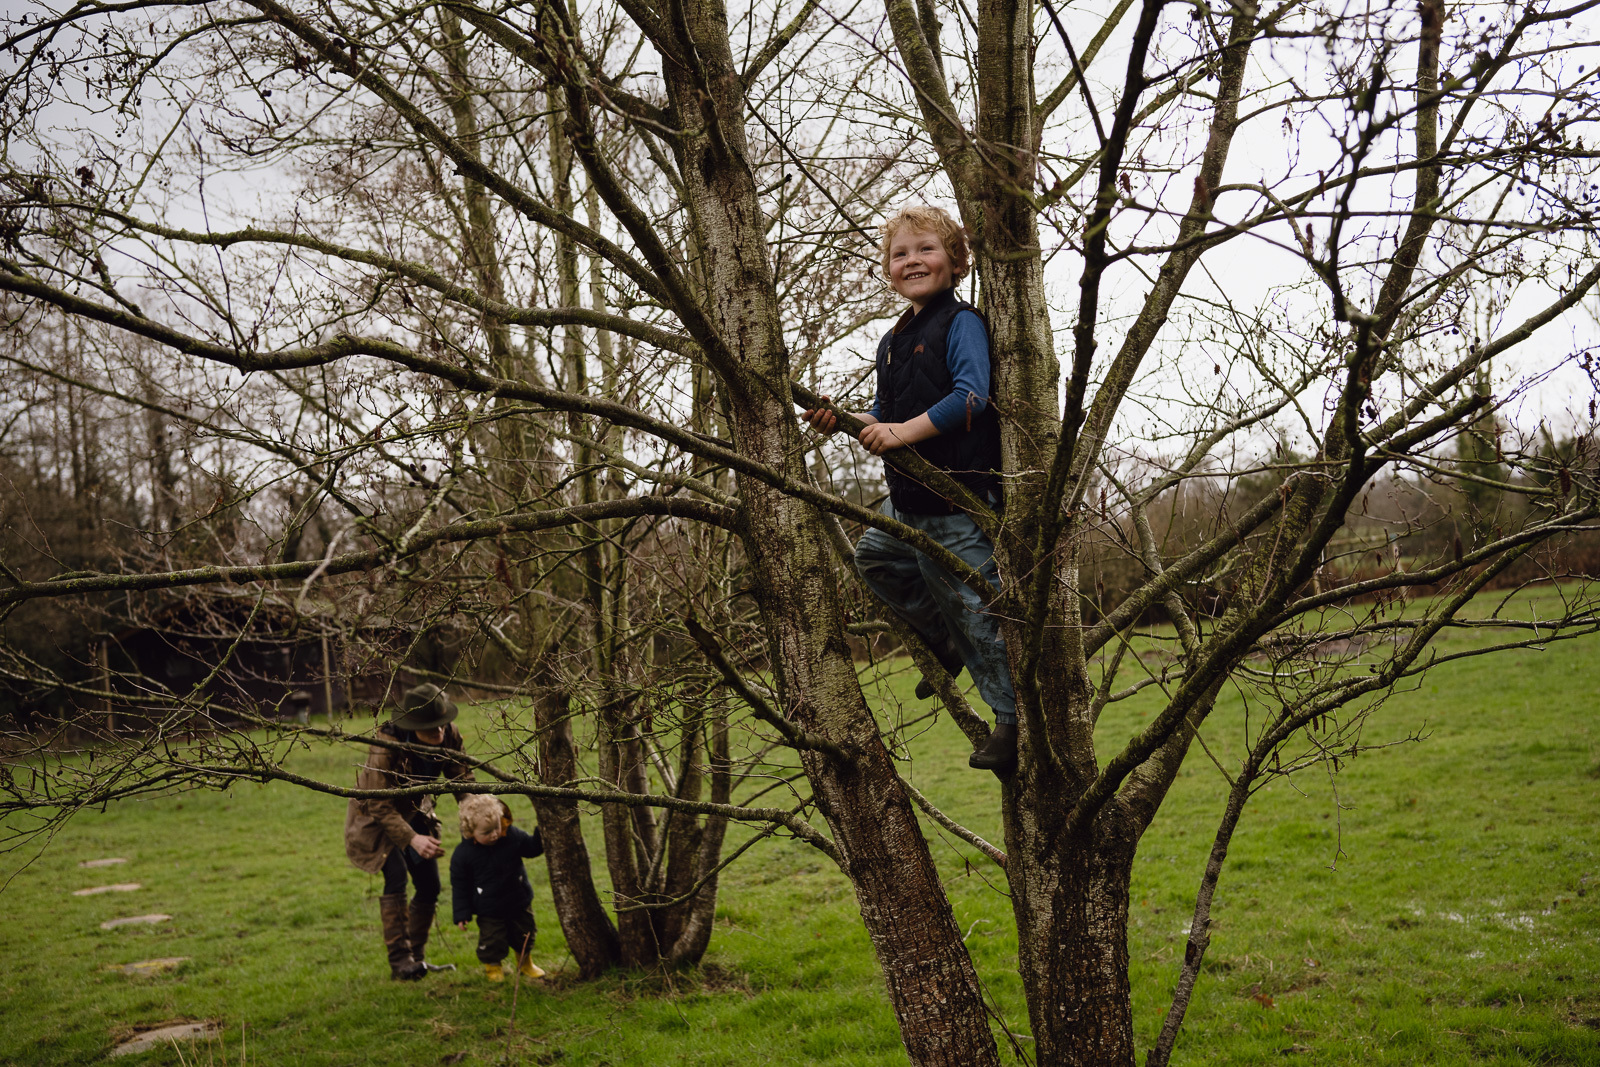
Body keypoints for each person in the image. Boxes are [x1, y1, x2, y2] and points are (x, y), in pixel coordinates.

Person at [801, 204, 1019, 773]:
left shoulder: (961, 323)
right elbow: (883, 414)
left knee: (977, 607)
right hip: (910, 502)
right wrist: (846, 421)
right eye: (900, 253)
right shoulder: (893, 339)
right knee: (875, 560)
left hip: (956, 497)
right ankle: (944, 646)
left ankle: (1011, 722)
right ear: (887, 268)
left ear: (956, 260)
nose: (912, 260)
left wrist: (899, 433)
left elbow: (970, 396)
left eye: (926, 249)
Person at [343, 683, 475, 980]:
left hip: (415, 811)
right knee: (397, 875)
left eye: (441, 726)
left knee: (429, 884)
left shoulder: (448, 734)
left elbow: (463, 777)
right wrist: (412, 839)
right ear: (413, 724)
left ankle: (417, 959)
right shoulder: (386, 746)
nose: (439, 734)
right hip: (375, 819)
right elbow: (378, 803)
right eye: (431, 729)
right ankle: (400, 963)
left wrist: (475, 816)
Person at [451, 793, 546, 983]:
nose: (494, 834)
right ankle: (493, 967)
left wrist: (541, 832)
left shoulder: (509, 835)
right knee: (492, 940)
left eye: (496, 827)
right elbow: (459, 886)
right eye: (486, 832)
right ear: (470, 832)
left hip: (518, 900)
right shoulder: (463, 855)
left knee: (525, 933)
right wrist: (462, 913)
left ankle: (525, 963)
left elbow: (531, 848)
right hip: (489, 909)